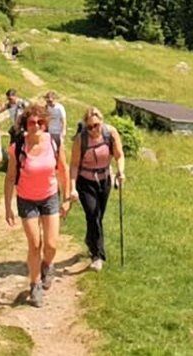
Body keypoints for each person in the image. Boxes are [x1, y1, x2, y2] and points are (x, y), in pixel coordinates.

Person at [4, 103, 70, 308]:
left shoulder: (54, 142)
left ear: (46, 123)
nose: (36, 126)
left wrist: (67, 198)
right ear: (26, 124)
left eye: (41, 122)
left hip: (49, 196)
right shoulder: (18, 147)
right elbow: (10, 177)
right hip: (26, 198)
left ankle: (47, 266)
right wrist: (8, 206)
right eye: (32, 122)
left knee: (51, 244)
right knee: (34, 243)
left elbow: (63, 170)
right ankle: (35, 285)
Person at [67, 106, 126, 272]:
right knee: (93, 215)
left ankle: (90, 240)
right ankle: (98, 255)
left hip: (105, 179)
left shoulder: (110, 133)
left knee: (98, 216)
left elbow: (119, 155)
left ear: (102, 122)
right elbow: (74, 165)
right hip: (85, 182)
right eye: (90, 126)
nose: (94, 129)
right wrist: (72, 188)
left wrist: (121, 172)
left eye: (96, 125)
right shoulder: (81, 139)